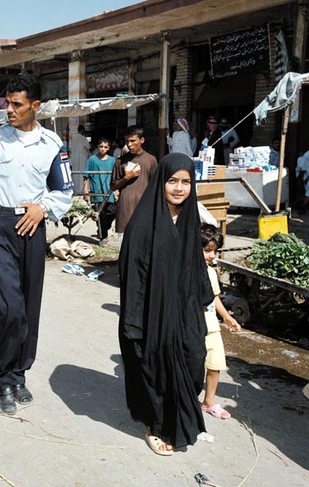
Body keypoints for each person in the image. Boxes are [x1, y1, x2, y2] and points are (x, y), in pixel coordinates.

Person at [0, 73, 73, 415]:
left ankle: (18, 373)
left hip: (33, 228)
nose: (8, 110)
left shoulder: (53, 144)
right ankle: (0, 377)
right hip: (1, 227)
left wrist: (43, 208)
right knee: (10, 308)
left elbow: (64, 191)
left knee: (29, 308)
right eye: (6, 103)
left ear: (35, 106)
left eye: (16, 104)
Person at [119, 153, 214, 455]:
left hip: (184, 312)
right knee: (155, 369)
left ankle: (177, 419)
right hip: (151, 314)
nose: (179, 188)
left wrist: (202, 302)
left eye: (186, 182)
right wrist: (135, 321)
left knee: (193, 358)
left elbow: (197, 266)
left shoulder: (190, 220)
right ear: (161, 182)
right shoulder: (144, 223)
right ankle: (155, 425)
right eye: (172, 180)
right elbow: (132, 275)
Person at [200, 223, 241, 420]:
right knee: (191, 368)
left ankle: (209, 401)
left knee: (215, 365)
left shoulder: (210, 271)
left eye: (214, 252)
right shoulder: (185, 272)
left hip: (212, 327)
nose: (211, 256)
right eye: (207, 251)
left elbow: (215, 297)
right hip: (193, 327)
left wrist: (226, 317)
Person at [110, 125, 158, 246]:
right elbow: (113, 186)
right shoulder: (120, 161)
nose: (129, 145)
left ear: (142, 140)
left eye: (133, 141)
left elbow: (155, 186)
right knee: (124, 243)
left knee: (143, 242)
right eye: (127, 141)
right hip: (125, 207)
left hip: (144, 208)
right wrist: (127, 177)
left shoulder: (150, 160)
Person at [83, 137, 116, 245]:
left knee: (112, 212)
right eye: (101, 146)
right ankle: (103, 237)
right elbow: (86, 176)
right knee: (100, 215)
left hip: (109, 192)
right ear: (97, 147)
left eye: (105, 147)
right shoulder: (92, 160)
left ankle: (105, 228)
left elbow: (116, 178)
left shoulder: (112, 160)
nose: (103, 149)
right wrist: (85, 191)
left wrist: (117, 191)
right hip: (96, 192)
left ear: (108, 148)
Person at [71, 124, 91, 190]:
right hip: (82, 159)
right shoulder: (83, 138)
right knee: (82, 174)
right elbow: (88, 147)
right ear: (83, 131)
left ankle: (76, 189)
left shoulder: (74, 139)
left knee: (76, 175)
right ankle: (82, 189)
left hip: (75, 159)